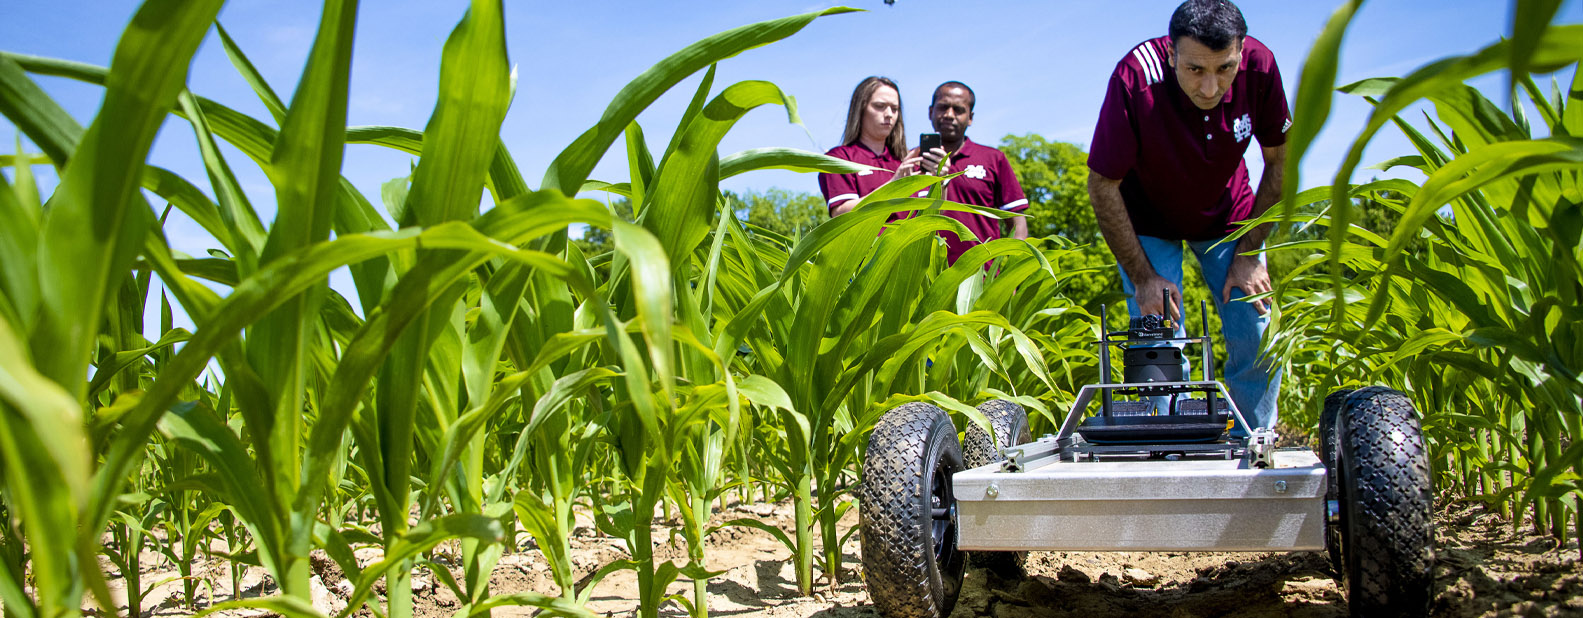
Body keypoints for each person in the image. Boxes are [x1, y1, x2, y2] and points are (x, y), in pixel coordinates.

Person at [1086, 0, 1288, 433]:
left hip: (1228, 217)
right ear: (1172, 53)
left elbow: (1280, 163)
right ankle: (1165, 443)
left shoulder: (1261, 66)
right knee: (1156, 333)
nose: (1211, 88)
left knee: (1254, 325)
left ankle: (1251, 439)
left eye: (1225, 69)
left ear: (1240, 52)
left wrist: (1250, 253)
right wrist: (1143, 277)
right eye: (1195, 70)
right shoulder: (1135, 77)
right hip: (1148, 219)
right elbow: (1102, 185)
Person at [916, 81, 1029, 265]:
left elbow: (1018, 223)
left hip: (981, 281)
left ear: (970, 117)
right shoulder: (910, 161)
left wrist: (1012, 274)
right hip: (921, 282)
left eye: (958, 110)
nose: (949, 115)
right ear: (931, 112)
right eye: (943, 107)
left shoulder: (993, 159)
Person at [819, 76, 923, 218]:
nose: (889, 115)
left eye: (895, 109)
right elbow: (841, 214)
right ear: (861, 108)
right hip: (870, 240)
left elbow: (930, 215)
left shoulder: (907, 162)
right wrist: (893, 186)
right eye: (879, 106)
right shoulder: (840, 159)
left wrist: (942, 181)